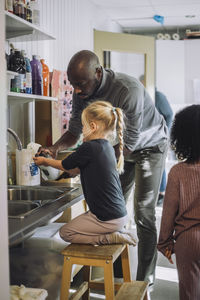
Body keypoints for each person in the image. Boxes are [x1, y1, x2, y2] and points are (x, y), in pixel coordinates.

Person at [38, 50, 168, 285]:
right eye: (73, 84)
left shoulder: (127, 90)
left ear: (98, 73)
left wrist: (90, 164)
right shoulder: (81, 90)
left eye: (80, 84)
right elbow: (74, 131)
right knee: (113, 209)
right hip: (117, 148)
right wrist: (55, 148)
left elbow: (129, 143)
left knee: (143, 213)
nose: (77, 90)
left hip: (149, 146)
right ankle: (118, 273)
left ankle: (144, 279)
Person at [34, 100, 137, 246]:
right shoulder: (106, 147)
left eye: (83, 126)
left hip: (106, 219)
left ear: (93, 127)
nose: (82, 130)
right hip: (118, 215)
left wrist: (45, 162)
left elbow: (64, 164)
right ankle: (116, 232)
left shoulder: (89, 147)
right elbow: (77, 169)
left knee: (65, 232)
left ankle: (108, 238)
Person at [158, 104, 200, 300]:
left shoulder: (178, 172)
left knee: (189, 293)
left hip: (188, 240)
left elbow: (168, 213)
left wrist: (164, 243)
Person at [139, 75, 173, 206]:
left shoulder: (158, 96)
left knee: (160, 164)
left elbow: (169, 114)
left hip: (159, 136)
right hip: (149, 137)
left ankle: (162, 193)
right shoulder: (145, 97)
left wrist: (165, 131)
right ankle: (155, 192)